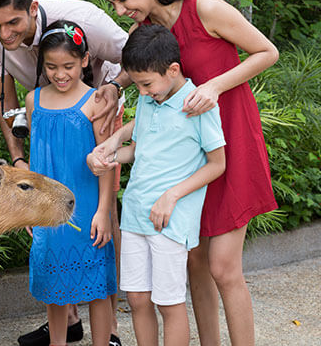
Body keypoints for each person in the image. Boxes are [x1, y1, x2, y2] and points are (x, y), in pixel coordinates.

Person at [94, 0, 280, 346]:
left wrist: (214, 85)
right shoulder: (142, 32)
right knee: (193, 261)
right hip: (183, 161)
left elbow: (267, 51)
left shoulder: (205, 7)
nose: (121, 10)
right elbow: (141, 71)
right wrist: (112, 87)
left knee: (224, 267)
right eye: (114, 3)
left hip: (229, 139)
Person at [0, 0, 126, 346]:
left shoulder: (88, 21)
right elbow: (6, 103)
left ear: (32, 8)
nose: (4, 34)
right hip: (45, 115)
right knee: (55, 244)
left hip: (98, 103)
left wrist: (108, 92)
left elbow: (138, 53)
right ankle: (67, 324)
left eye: (13, 23)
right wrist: (19, 162)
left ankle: (108, 334)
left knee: (99, 230)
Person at [87, 24, 226, 346]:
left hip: (169, 220)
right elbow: (142, 148)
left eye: (146, 83)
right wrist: (108, 153)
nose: (143, 91)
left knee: (168, 301)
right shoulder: (152, 99)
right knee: (136, 298)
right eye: (137, 85)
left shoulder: (198, 105)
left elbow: (217, 164)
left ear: (172, 69)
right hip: (136, 212)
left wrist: (171, 195)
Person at [25, 19, 118, 346]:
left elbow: (106, 164)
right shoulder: (32, 100)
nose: (60, 74)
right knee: (54, 282)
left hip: (88, 206)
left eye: (68, 65)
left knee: (95, 287)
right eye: (51, 67)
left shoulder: (96, 102)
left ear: (84, 59)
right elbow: (36, 163)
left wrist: (103, 211)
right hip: (48, 209)